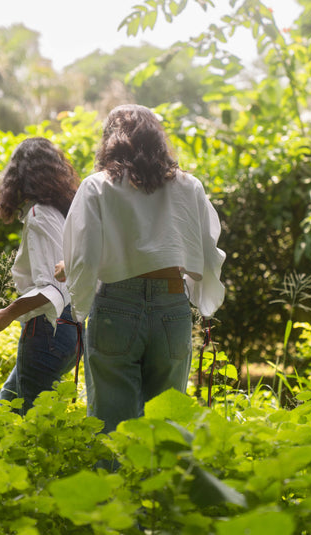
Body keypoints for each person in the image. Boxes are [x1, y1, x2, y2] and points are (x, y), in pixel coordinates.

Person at [60, 104, 226, 433]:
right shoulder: (189, 185)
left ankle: (114, 483)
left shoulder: (97, 186)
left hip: (116, 306)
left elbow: (83, 257)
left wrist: (78, 304)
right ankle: (161, 486)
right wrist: (200, 297)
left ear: (111, 140)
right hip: (172, 305)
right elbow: (208, 252)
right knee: (166, 428)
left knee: (111, 425)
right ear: (158, 140)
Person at [0, 137, 80, 415]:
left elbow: (54, 288)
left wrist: (8, 312)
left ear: (18, 175)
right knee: (6, 407)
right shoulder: (62, 212)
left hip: (48, 330)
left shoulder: (39, 214)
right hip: (71, 331)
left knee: (35, 421)